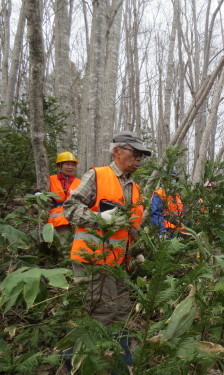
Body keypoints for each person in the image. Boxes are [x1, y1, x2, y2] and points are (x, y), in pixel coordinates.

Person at [61, 131, 151, 372]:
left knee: (121, 313)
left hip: (119, 264)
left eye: (142, 155)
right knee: (102, 314)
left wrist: (137, 250)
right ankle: (72, 364)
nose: (139, 158)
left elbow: (132, 227)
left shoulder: (136, 189)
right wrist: (97, 218)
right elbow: (69, 207)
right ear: (117, 151)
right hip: (92, 258)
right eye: (135, 153)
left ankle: (121, 365)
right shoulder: (98, 175)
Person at [48, 152, 81, 244]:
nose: (70, 167)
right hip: (58, 220)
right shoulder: (50, 179)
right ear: (60, 166)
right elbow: (36, 191)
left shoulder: (79, 182)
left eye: (73, 165)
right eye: (67, 164)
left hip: (76, 218)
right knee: (61, 245)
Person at [151, 170, 187, 238]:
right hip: (167, 232)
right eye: (170, 179)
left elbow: (184, 213)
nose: (173, 181)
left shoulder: (177, 196)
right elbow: (156, 214)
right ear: (165, 181)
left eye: (174, 179)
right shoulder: (159, 194)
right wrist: (162, 231)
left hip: (180, 233)